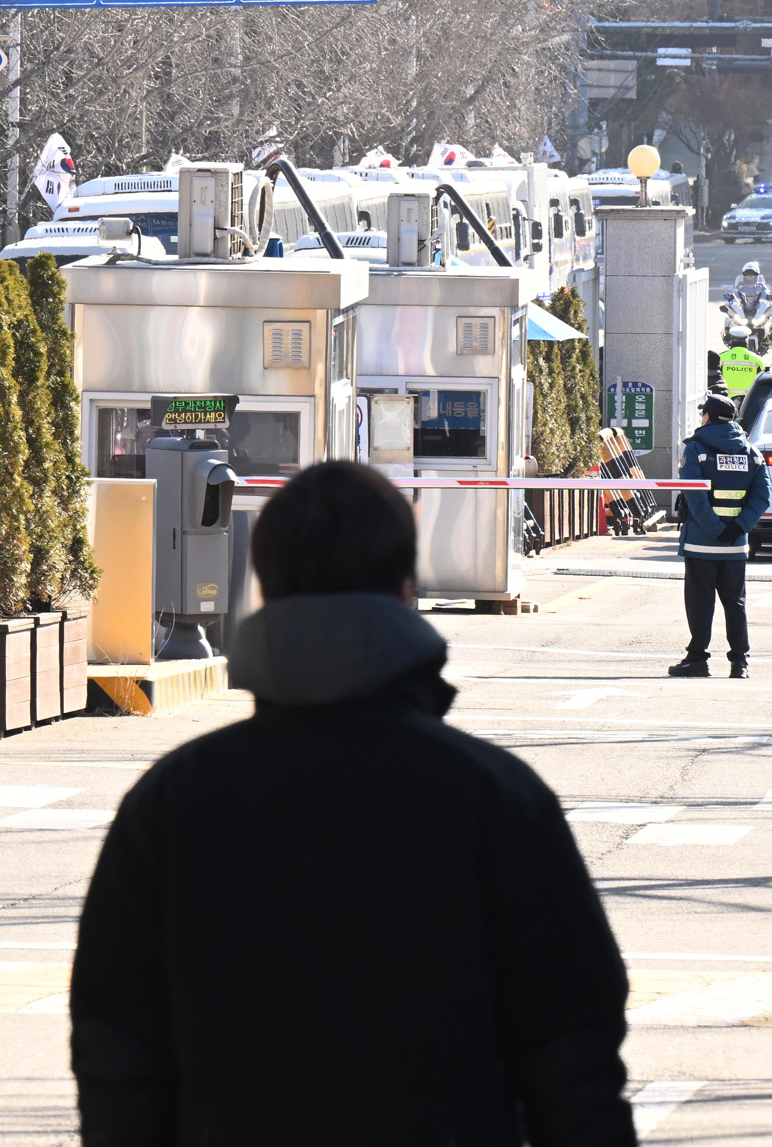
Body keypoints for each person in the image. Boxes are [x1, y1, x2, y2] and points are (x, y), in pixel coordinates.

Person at [72, 462, 636, 1145]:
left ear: (266, 591)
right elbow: (572, 1056)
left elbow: (118, 1050)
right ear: (405, 592)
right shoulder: (493, 799)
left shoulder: (172, 803)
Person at [669, 393, 771, 680]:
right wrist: (739, 527)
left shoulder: (697, 450)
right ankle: (740, 663)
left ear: (708, 417)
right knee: (735, 603)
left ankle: (697, 659)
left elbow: (694, 495)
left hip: (701, 543)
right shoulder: (751, 453)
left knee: (700, 603)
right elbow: (763, 496)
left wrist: (715, 529)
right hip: (735, 547)